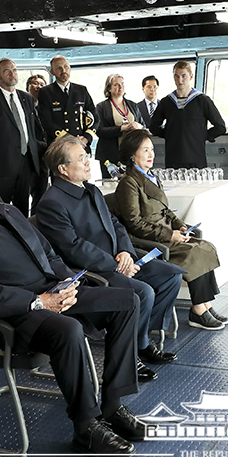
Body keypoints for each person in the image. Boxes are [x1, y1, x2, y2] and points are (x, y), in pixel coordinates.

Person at [0, 153, 145, 457]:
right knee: (67, 329)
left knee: (127, 301)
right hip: (10, 314)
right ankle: (86, 427)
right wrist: (40, 301)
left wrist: (69, 284)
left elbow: (50, 255)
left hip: (50, 294)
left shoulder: (7, 210)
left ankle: (112, 404)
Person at [36, 135, 183, 378]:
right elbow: (72, 247)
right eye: (81, 158)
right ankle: (130, 355)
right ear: (63, 169)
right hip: (94, 272)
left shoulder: (91, 190)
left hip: (120, 259)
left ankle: (142, 342)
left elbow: (115, 224)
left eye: (86, 156)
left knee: (171, 276)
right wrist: (115, 264)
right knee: (142, 292)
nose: (87, 162)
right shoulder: (51, 203)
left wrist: (125, 251)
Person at [115, 129, 228, 331]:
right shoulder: (128, 183)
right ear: (132, 155)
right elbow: (134, 224)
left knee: (204, 246)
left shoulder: (151, 176)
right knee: (194, 251)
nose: (151, 155)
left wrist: (180, 225)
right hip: (149, 240)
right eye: (145, 150)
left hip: (165, 232)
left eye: (152, 149)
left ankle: (206, 305)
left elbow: (165, 210)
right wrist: (170, 234)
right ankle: (198, 310)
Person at [0, 58, 46, 216]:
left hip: (26, 163)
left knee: (22, 209)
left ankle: (21, 237)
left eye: (14, 70)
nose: (12, 74)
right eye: (7, 71)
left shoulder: (27, 98)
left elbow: (32, 130)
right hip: (1, 166)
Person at [148, 60, 226, 168]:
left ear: (191, 76)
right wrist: (169, 134)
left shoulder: (202, 100)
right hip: (173, 158)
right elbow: (153, 127)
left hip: (196, 157)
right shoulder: (167, 102)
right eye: (176, 76)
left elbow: (220, 127)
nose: (180, 80)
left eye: (183, 76)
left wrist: (202, 136)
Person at [37, 56, 97, 153]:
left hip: (82, 144)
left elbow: (95, 117)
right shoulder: (46, 92)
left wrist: (86, 138)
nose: (63, 70)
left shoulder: (81, 90)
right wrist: (71, 139)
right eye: (59, 68)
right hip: (60, 145)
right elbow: (45, 121)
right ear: (52, 72)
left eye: (66, 67)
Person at [94, 74, 144, 178]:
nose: (120, 87)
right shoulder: (101, 107)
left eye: (122, 84)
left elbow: (143, 125)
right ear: (109, 88)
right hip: (110, 154)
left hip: (131, 153)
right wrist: (121, 128)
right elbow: (99, 130)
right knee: (111, 186)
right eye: (116, 84)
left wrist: (139, 126)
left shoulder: (133, 105)